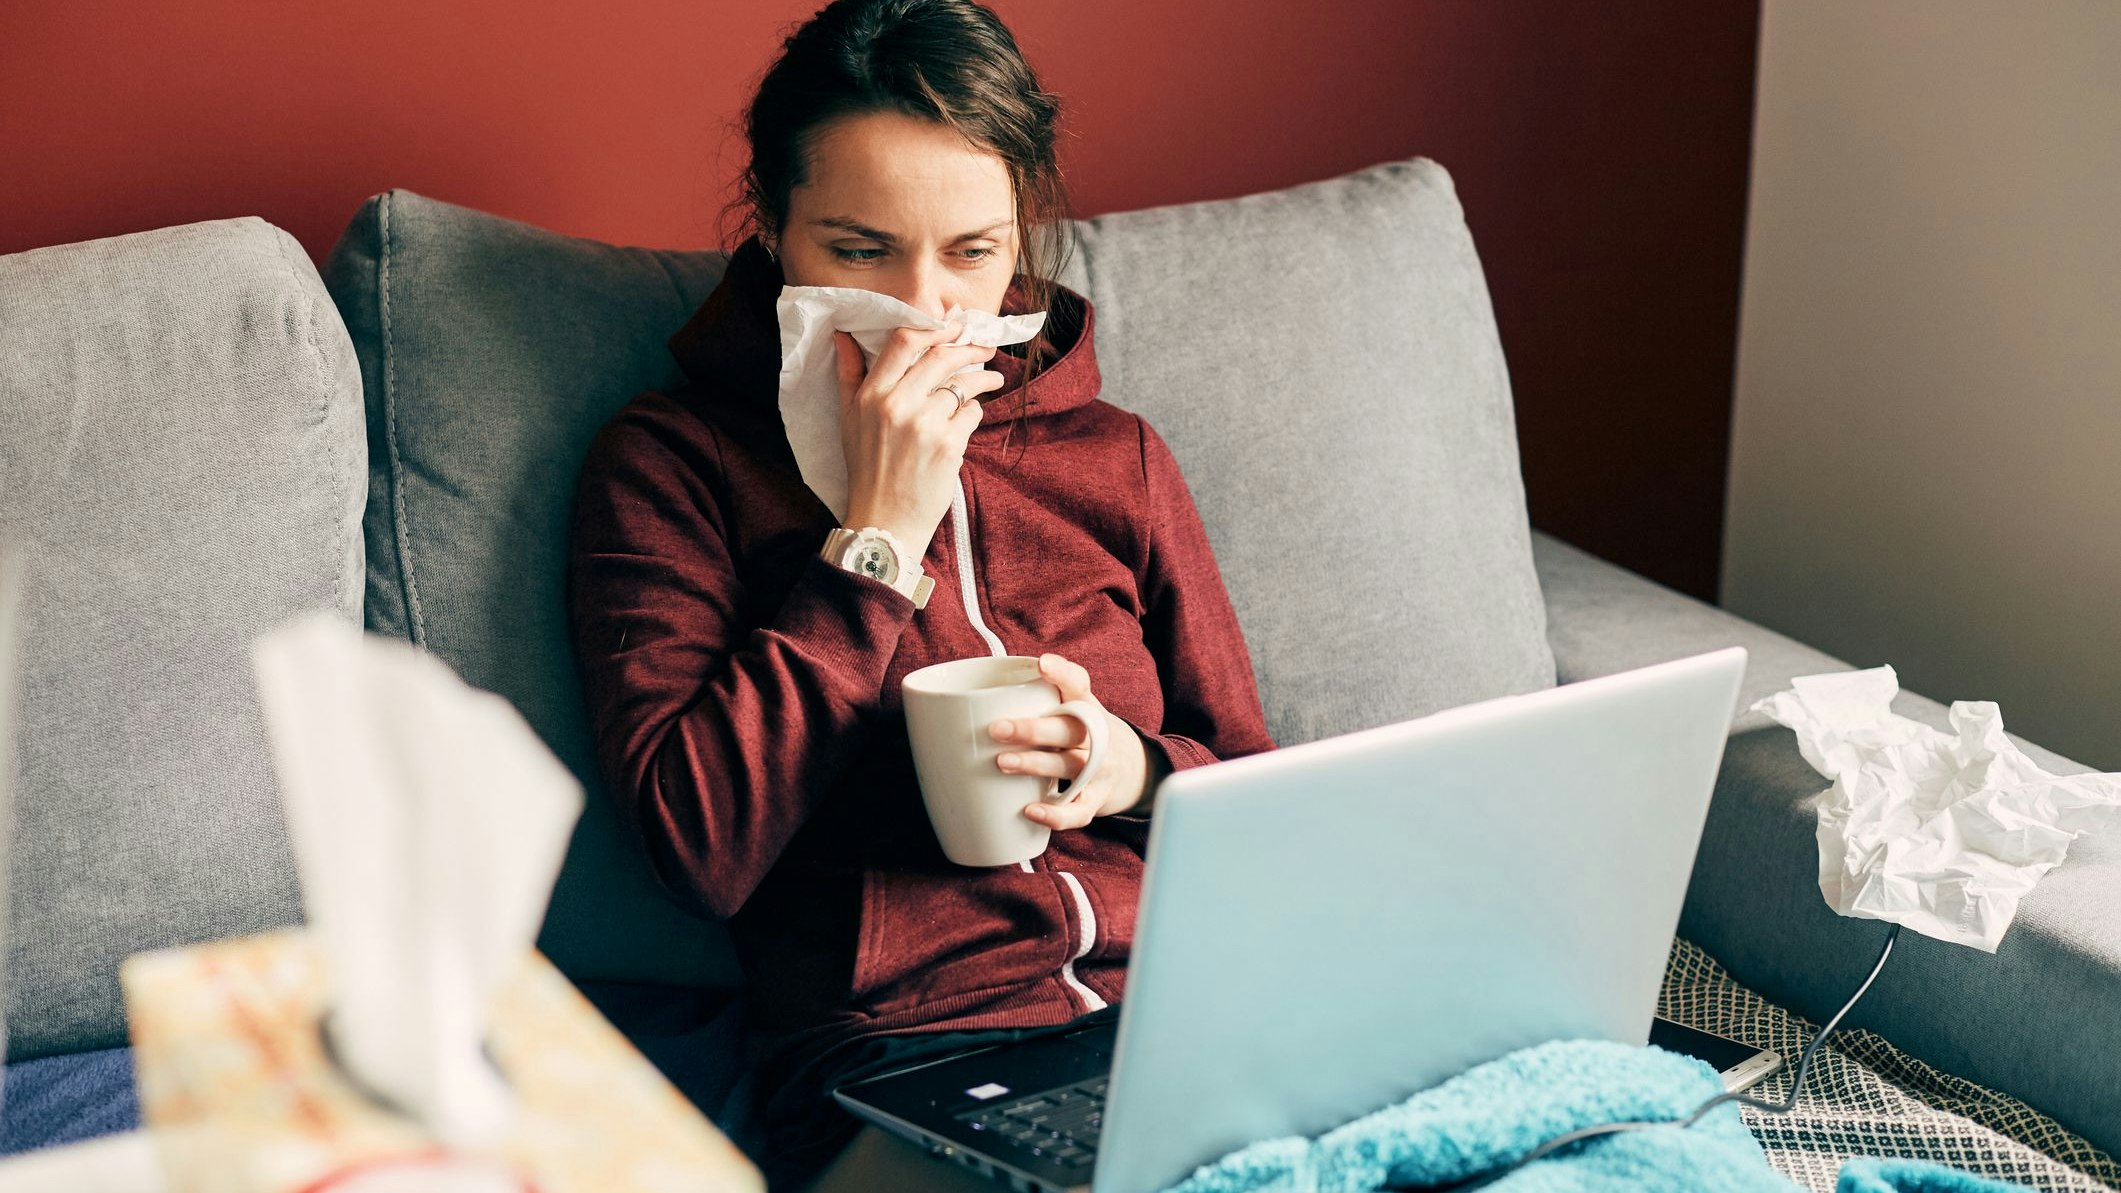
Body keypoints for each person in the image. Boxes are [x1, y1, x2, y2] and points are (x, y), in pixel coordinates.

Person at [565, 0, 1276, 1187]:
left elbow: (1265, 789)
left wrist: (1131, 768)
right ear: (775, 231)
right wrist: (877, 535)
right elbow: (698, 847)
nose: (929, 310)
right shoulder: (673, 462)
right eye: (857, 250)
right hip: (898, 1061)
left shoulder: (1118, 456)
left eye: (972, 253)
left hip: (1192, 1012)